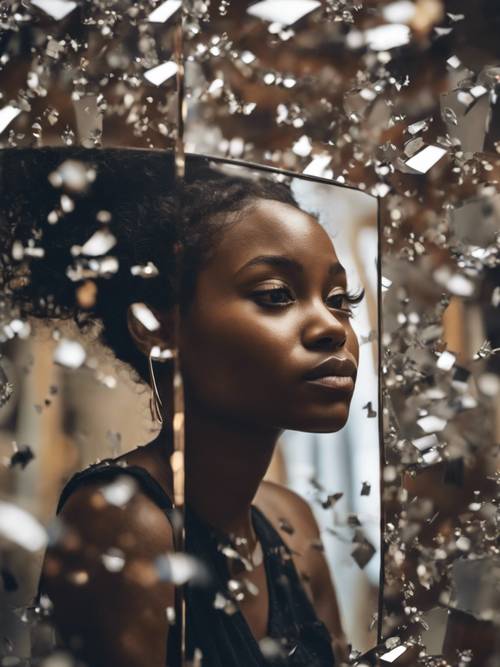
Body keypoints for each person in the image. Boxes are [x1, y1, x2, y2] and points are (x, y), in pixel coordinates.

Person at [1, 148, 363, 667]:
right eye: (276, 293)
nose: (332, 327)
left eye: (338, 298)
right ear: (157, 327)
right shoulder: (124, 526)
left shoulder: (293, 523)